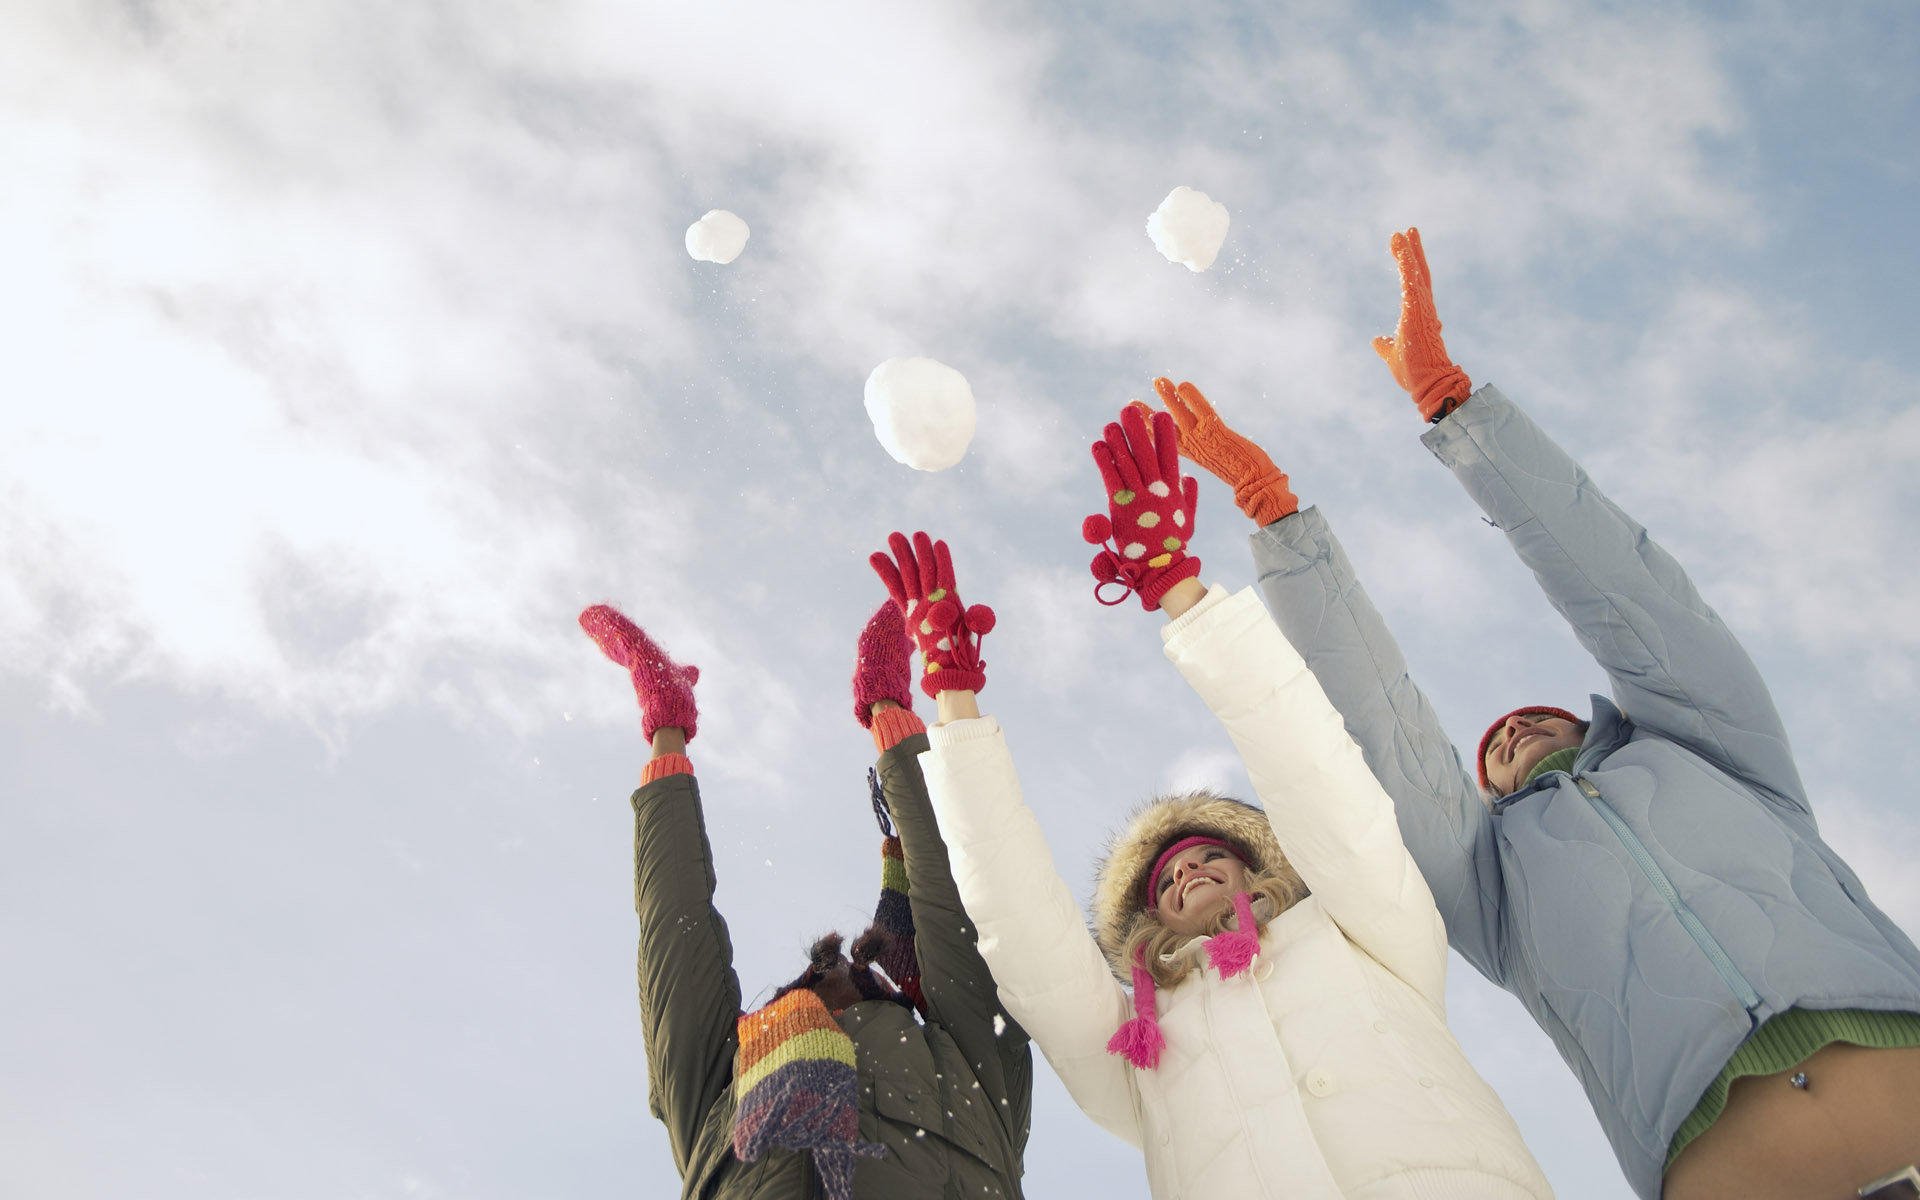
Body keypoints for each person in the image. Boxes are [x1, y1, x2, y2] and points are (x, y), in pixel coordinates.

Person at [1145, 226, 1920, 1199]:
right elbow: (1381, 731)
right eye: (1491, 748)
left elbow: (1632, 596)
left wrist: (1459, 410)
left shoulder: (1715, 752)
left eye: (1534, 721)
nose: (1507, 732)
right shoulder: (1490, 889)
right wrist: (1278, 519)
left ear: (1595, 725)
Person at [879, 415, 1553, 1199]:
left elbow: (1314, 774)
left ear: (1260, 868)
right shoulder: (1137, 1044)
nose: (1188, 871)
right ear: (1149, 925)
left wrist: (1180, 591)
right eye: (1167, 879)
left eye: (1208, 857)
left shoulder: (1366, 932)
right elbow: (1022, 931)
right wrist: (953, 698)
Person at [577, 599, 1031, 1199]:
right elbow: (674, 935)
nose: (839, 973)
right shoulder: (731, 1077)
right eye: (827, 975)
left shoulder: (964, 1057)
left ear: (905, 990)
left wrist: (890, 715)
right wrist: (667, 727)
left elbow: (952, 905)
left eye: (847, 972)